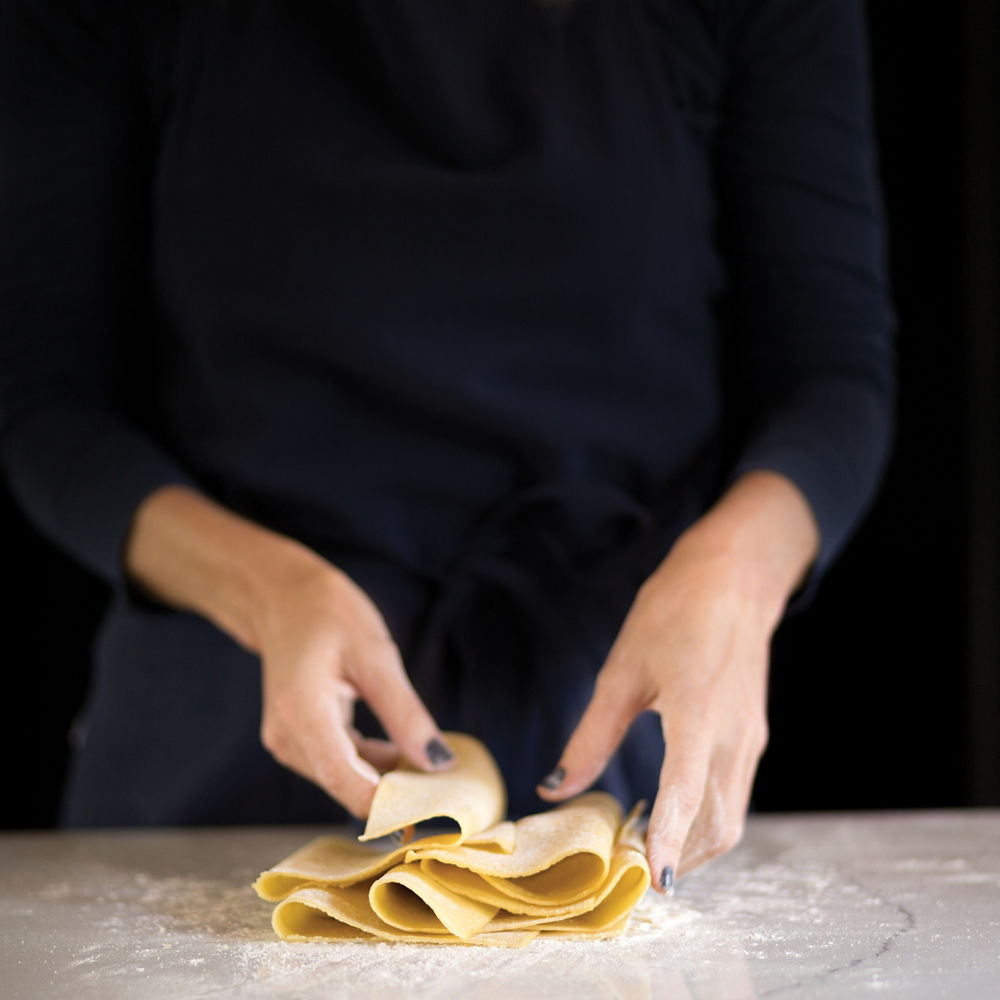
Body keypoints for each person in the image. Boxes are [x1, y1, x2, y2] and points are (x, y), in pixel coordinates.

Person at [0, 0, 894, 896]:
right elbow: (49, 408)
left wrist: (736, 569)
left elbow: (833, 380)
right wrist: (267, 590)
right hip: (240, 703)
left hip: (608, 713)